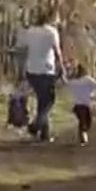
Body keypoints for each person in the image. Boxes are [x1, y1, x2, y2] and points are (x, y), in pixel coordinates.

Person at [19, 9, 65, 142]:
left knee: (42, 101)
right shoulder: (51, 32)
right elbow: (57, 52)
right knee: (48, 101)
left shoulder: (30, 31)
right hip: (46, 70)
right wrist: (61, 68)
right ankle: (36, 125)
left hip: (31, 70)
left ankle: (45, 134)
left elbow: (24, 49)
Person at [66, 63, 96, 145]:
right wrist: (92, 92)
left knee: (86, 121)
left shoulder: (82, 80)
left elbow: (66, 82)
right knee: (83, 121)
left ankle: (83, 134)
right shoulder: (83, 80)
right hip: (81, 105)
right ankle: (83, 137)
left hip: (83, 105)